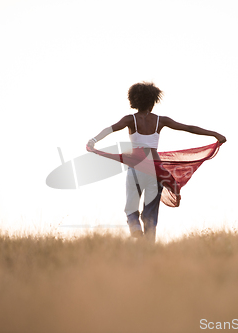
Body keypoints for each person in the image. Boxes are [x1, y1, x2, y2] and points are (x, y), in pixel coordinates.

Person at [87, 82, 226, 242]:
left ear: (134, 101)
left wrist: (93, 140)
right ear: (153, 102)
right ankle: (149, 245)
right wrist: (215, 134)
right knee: (151, 211)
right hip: (156, 169)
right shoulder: (160, 120)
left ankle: (135, 228)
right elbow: (188, 128)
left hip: (137, 167)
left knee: (131, 205)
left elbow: (111, 129)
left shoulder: (130, 119)